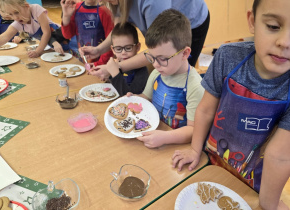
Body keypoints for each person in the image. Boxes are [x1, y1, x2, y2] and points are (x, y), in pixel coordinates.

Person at [172, 0, 290, 209]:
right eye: (273, 26)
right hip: (210, 163)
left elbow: (279, 156)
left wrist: (268, 204)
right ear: (252, 22)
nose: (285, 42)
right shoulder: (227, 56)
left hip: (254, 183)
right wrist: (193, 149)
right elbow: (206, 110)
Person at [127, 9, 204, 148]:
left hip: (175, 145)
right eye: (152, 57)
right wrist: (134, 99)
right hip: (155, 137)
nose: (155, 64)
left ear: (185, 53)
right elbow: (146, 98)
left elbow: (194, 131)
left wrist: (165, 137)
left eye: (162, 59)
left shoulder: (195, 86)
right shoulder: (157, 73)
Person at [79, 0, 210, 81]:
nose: (101, 1)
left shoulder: (153, 3)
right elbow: (118, 31)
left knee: (175, 77)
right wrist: (98, 50)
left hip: (192, 23)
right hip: (161, 25)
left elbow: (158, 51)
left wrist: (116, 68)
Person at [0, 0, 69, 57]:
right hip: (53, 45)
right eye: (10, 14)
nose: (15, 17)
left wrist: (38, 51)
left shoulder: (36, 9)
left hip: (66, 37)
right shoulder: (18, 23)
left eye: (16, 12)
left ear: (26, 6)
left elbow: (46, 33)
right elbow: (3, 37)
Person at [61, 0, 113, 67]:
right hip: (78, 59)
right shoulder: (75, 8)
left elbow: (111, 42)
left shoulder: (104, 12)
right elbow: (67, 35)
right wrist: (66, 16)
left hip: (99, 64)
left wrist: (98, 64)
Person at [107, 22, 148, 96]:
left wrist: (115, 74)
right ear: (113, 49)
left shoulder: (142, 70)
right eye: (118, 49)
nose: (123, 52)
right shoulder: (114, 64)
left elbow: (129, 95)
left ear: (137, 47)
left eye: (128, 48)